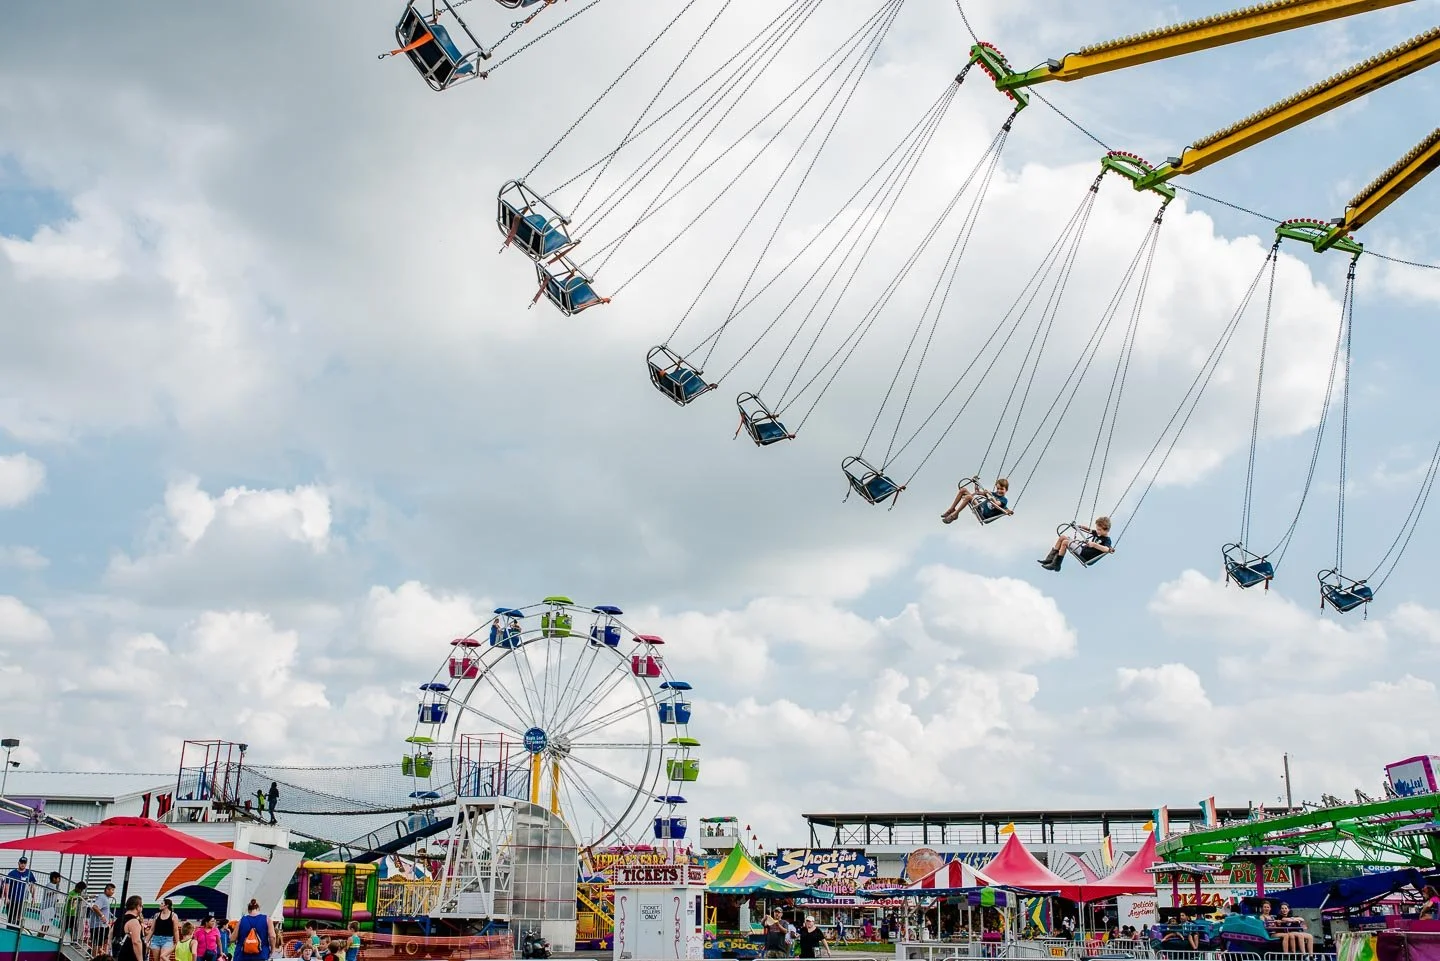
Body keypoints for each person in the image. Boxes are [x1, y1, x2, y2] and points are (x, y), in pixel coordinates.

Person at [1038, 516, 1113, 571]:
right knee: (1062, 537)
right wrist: (1077, 526)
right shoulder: (1097, 533)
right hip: (1082, 549)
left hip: (1085, 554)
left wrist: (1094, 545)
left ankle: (1056, 564)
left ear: (1106, 530)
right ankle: (1050, 559)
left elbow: (1106, 549)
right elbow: (1088, 529)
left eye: (1099, 530)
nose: (1097, 531)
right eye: (1097, 529)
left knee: (1065, 542)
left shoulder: (1107, 540)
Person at [941, 478, 1011, 525]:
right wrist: (976, 485)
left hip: (984, 514)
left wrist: (991, 497)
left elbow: (997, 504)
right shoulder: (993, 493)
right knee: (963, 490)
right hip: (981, 507)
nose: (999, 491)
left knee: (968, 497)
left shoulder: (1004, 500)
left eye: (1002, 489)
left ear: (1006, 490)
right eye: (998, 488)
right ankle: (952, 509)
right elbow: (978, 492)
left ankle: (955, 514)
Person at [3, 856, 36, 926]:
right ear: (18, 863)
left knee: (18, 917)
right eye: (21, 863)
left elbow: (32, 885)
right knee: (10, 916)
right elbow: (7, 885)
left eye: (24, 863)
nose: (23, 864)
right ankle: (9, 930)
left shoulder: (29, 873)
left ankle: (16, 931)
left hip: (21, 899)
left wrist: (33, 897)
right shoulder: (12, 873)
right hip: (12, 898)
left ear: (26, 864)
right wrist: (6, 897)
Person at [113, 895, 147, 961]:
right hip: (130, 957)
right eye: (142, 906)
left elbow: (110, 936)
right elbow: (136, 942)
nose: (142, 908)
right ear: (138, 907)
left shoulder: (118, 920)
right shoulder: (133, 921)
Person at [91, 883, 117, 952]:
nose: (113, 892)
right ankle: (95, 957)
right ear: (107, 890)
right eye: (112, 890)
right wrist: (102, 916)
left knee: (104, 943)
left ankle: (100, 955)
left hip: (104, 926)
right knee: (98, 944)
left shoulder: (106, 899)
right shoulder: (102, 897)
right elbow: (95, 907)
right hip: (98, 926)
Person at [38, 871, 64, 936]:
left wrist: (56, 899)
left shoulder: (54, 886)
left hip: (50, 907)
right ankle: (39, 936)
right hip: (47, 907)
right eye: (58, 878)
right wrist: (56, 891)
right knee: (46, 924)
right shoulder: (50, 885)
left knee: (47, 925)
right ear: (54, 878)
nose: (59, 880)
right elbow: (48, 893)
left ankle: (41, 936)